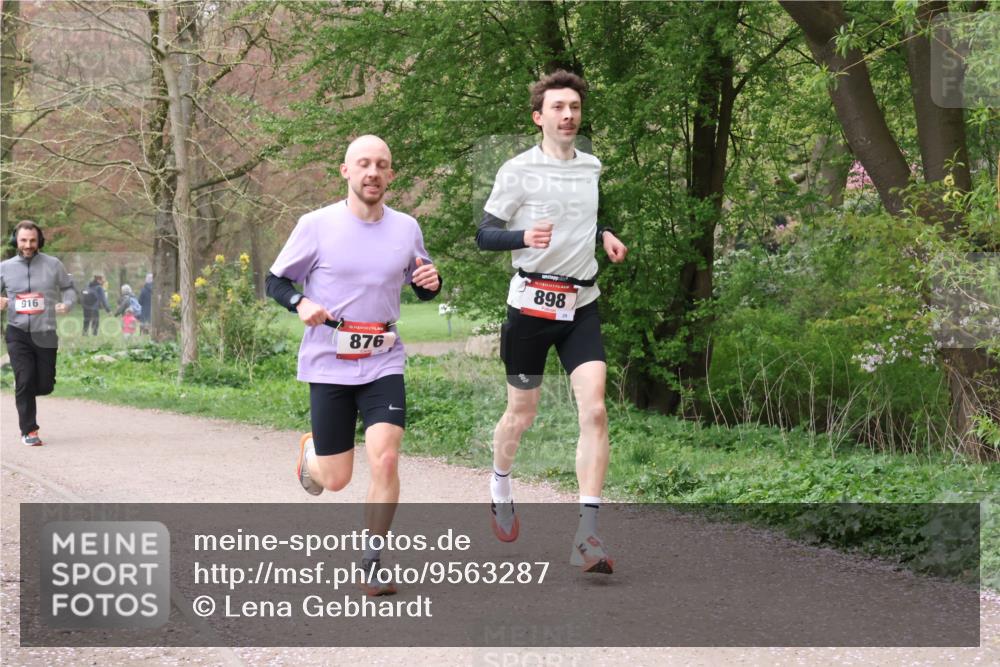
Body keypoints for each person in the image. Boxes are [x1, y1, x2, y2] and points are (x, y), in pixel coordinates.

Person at [265, 135, 441, 596]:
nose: (373, 173)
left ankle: (371, 561)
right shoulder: (316, 225)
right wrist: (300, 302)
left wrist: (432, 282)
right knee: (336, 479)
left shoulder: (407, 228)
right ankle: (312, 456)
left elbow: (423, 283)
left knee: (386, 456)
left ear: (391, 175)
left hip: (384, 358)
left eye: (382, 165)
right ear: (346, 171)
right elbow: (275, 281)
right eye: (363, 164)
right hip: (329, 361)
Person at [475, 70, 628, 574]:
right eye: (558, 108)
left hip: (581, 305)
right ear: (538, 117)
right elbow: (485, 235)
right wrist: (522, 237)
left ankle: (587, 535)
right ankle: (500, 482)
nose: (568, 115)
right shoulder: (518, 170)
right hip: (531, 309)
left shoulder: (591, 166)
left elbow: (587, 213)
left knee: (596, 411)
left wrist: (605, 234)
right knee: (521, 414)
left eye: (575, 107)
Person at [0, 220, 76, 446]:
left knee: (44, 385)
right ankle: (29, 430)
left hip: (45, 332)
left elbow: (69, 288)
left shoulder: (53, 264)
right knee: (25, 380)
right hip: (17, 331)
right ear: (16, 241)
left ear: (39, 241)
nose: (28, 245)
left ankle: (25, 386)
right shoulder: (5, 267)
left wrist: (68, 304)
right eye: (23, 240)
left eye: (32, 240)